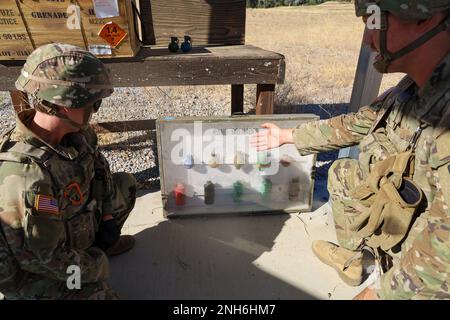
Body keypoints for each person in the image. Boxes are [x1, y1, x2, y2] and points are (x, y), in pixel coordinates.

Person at [252, 0, 450, 299]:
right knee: (344, 173)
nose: (369, 40)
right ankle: (354, 260)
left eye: (376, 23)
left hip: (427, 261)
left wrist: (377, 294)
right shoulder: (414, 88)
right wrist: (287, 136)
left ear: (424, 18)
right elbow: (360, 122)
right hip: (399, 206)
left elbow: (441, 256)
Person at [0, 43, 137, 299]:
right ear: (65, 104)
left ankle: (98, 249)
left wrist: (107, 220)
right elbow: (45, 259)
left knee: (126, 185)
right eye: (93, 103)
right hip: (40, 270)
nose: (96, 109)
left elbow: (99, 170)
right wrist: (96, 266)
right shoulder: (27, 177)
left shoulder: (76, 133)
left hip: (76, 226)